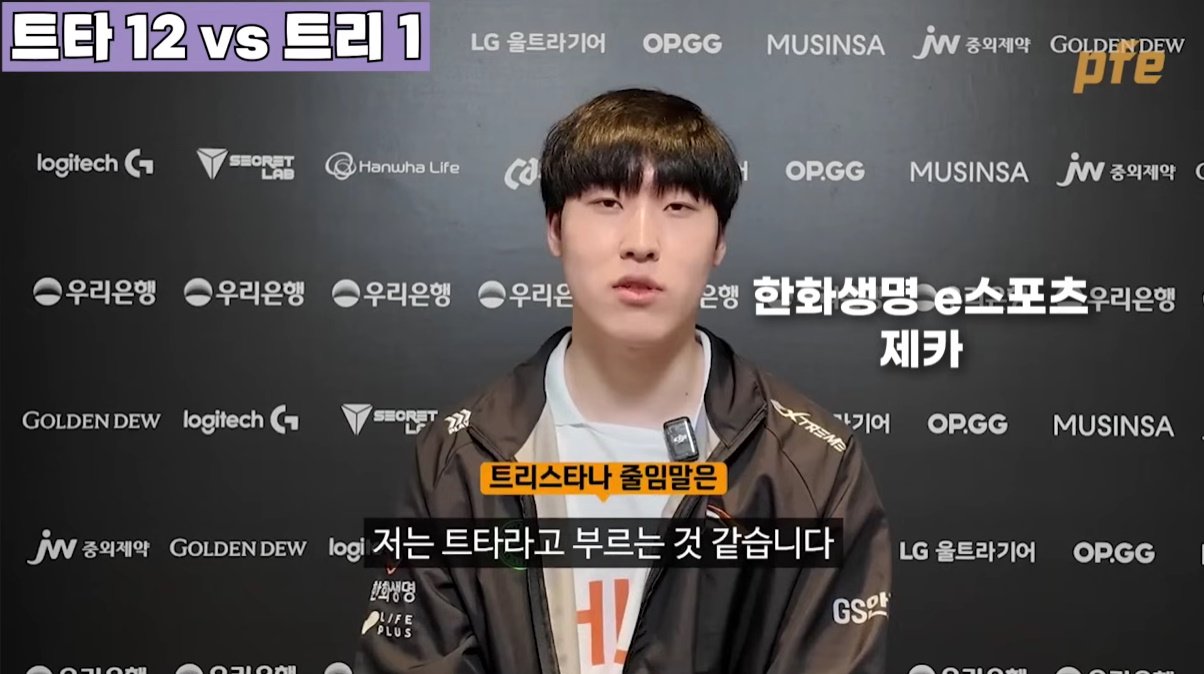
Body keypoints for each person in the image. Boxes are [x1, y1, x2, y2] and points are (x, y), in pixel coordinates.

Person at [354, 88, 891, 674]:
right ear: (555, 229)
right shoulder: (455, 459)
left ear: (719, 242)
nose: (640, 242)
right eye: (608, 202)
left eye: (678, 207)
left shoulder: (814, 467)